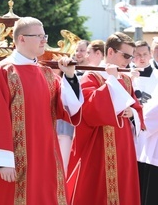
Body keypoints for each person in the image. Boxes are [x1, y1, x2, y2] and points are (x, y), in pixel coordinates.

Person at [0, 17, 83, 204]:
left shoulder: (45, 73)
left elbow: (67, 107)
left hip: (45, 155)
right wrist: (1, 162)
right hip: (14, 159)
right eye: (39, 36)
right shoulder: (3, 71)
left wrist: (69, 77)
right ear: (21, 39)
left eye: (44, 35)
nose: (44, 40)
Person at [67, 32, 144, 204]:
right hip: (98, 146)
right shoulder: (91, 77)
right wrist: (112, 82)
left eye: (131, 57)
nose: (128, 61)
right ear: (110, 52)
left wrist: (133, 114)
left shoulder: (125, 79)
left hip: (123, 147)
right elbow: (89, 112)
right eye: (125, 56)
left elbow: (137, 110)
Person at [132, 40, 158, 204]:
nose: (141, 58)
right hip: (132, 129)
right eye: (137, 55)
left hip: (149, 131)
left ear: (149, 55)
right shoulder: (127, 75)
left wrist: (140, 117)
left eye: (144, 54)